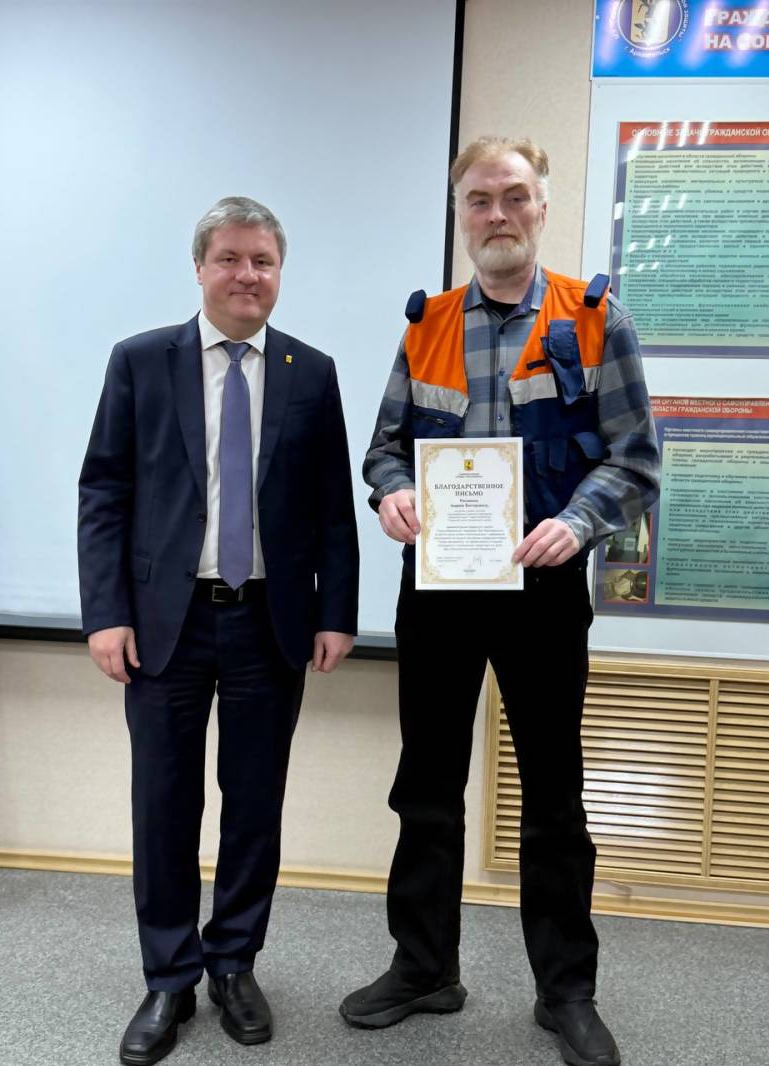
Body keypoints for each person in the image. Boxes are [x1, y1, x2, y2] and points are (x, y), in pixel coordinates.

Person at [340, 138, 660, 1066]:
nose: (497, 214)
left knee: (554, 796)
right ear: (461, 215)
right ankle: (424, 968)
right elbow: (384, 448)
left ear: (542, 207)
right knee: (426, 786)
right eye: (479, 199)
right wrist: (393, 494)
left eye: (514, 196)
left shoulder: (594, 319)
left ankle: (566, 991)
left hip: (544, 590)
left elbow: (636, 459)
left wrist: (579, 522)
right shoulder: (428, 324)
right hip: (440, 592)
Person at [78, 197, 359, 1065]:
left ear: (280, 272)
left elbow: (333, 509)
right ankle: (169, 977)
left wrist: (337, 613)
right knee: (164, 804)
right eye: (231, 258)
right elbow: (104, 493)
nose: (247, 275)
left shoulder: (311, 371)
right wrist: (105, 613)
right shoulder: (140, 361)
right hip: (164, 625)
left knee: (254, 805)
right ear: (199, 267)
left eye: (263, 261)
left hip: (268, 623)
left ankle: (234, 963)